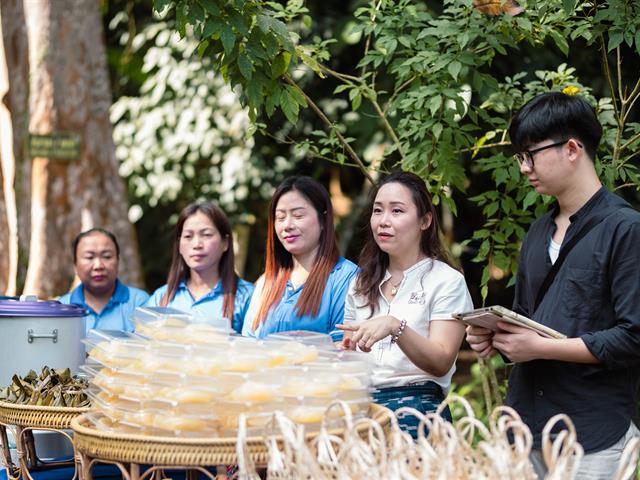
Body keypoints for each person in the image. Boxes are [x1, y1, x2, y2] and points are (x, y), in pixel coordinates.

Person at [465, 92, 640, 479]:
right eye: (520, 158)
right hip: (526, 427)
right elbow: (528, 321)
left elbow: (633, 337)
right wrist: (496, 339)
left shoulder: (626, 229)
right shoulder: (538, 231)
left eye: (531, 154)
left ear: (573, 148)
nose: (524, 167)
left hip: (592, 433)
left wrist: (541, 347)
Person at [338, 172, 473, 438]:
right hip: (363, 415)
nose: (383, 221)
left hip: (418, 413)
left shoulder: (446, 281)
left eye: (397, 211)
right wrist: (342, 354)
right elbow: (351, 354)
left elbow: (441, 361)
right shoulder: (361, 283)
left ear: (425, 220)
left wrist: (394, 327)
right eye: (378, 211)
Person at [242, 176, 358, 340]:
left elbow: (343, 349)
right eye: (280, 217)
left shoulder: (346, 278)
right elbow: (248, 344)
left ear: (323, 220)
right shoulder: (266, 282)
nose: (287, 225)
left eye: (298, 215)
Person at [146, 201, 254, 334]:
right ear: (179, 245)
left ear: (225, 243)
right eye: (188, 236)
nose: (197, 244)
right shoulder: (162, 298)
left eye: (206, 235)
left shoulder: (247, 297)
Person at [59, 228, 149, 332]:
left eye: (107, 256)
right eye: (89, 257)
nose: (98, 266)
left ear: (118, 261)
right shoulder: (61, 308)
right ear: (75, 266)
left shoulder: (139, 303)